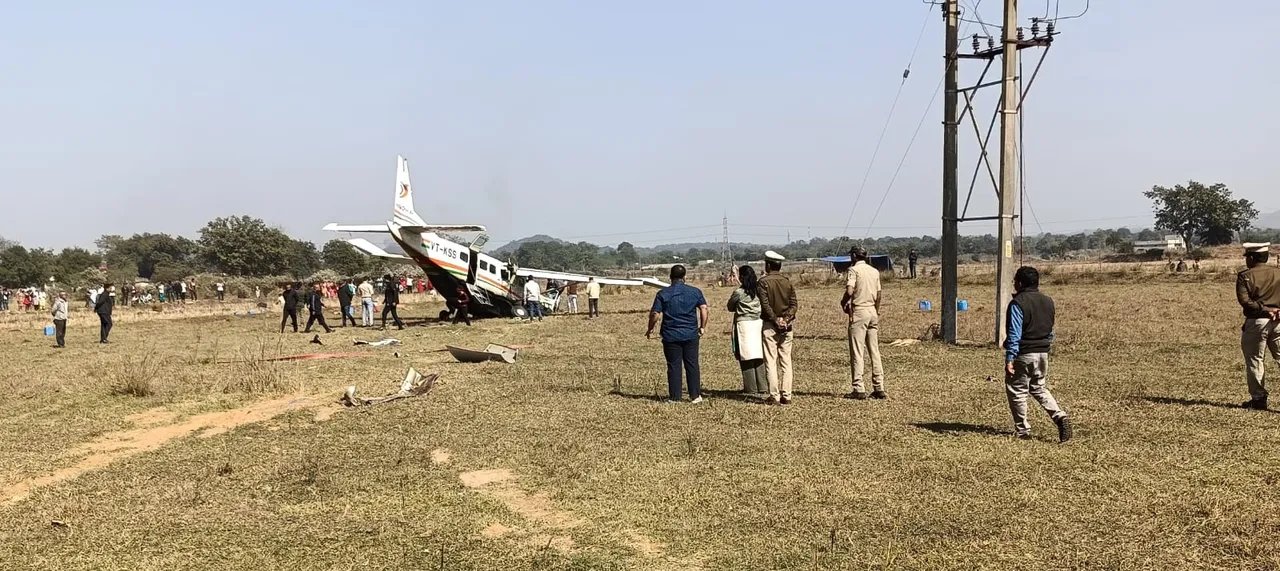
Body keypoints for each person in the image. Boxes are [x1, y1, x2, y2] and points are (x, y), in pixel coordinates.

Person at [1004, 266, 1073, 442]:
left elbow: (1014, 333)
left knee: (1018, 391)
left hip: (1024, 353)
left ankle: (1023, 431)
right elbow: (1050, 329)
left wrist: (1010, 357)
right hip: (1043, 352)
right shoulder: (1048, 301)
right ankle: (1059, 416)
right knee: (1038, 388)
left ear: (1019, 283)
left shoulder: (1018, 303)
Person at [647, 265, 709, 403]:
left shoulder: (663, 294)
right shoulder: (695, 292)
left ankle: (675, 397)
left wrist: (650, 328)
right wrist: (702, 327)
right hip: (691, 334)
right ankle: (695, 395)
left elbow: (655, 314)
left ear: (670, 277)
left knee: (674, 365)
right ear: (684, 277)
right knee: (692, 364)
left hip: (671, 335)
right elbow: (704, 308)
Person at [1236, 243, 1280, 410]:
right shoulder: (1278, 273)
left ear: (1252, 258)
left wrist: (1266, 310)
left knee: (1255, 360)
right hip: (1279, 322)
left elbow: (1245, 302)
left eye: (1247, 257)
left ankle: (1258, 399)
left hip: (1257, 322)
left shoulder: (1245, 276)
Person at [843, 246, 886, 400]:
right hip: (872, 311)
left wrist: (843, 302)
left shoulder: (854, 270)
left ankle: (858, 388)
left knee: (857, 351)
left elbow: (849, 290)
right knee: (874, 350)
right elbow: (879, 294)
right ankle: (879, 386)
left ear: (854, 256)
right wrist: (876, 310)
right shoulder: (874, 271)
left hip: (859, 310)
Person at [758, 251, 798, 405]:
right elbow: (794, 304)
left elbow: (765, 304)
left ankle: (774, 395)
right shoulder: (787, 282)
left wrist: (775, 320)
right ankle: (787, 395)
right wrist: (786, 319)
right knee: (786, 362)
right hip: (787, 327)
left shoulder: (763, 282)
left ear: (768, 265)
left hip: (770, 326)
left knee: (770, 361)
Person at [728, 265, 766, 397]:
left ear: (742, 277)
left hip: (743, 325)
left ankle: (750, 388)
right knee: (759, 354)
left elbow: (730, 306)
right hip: (758, 323)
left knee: (746, 356)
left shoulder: (738, 292)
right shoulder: (759, 290)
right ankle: (763, 385)